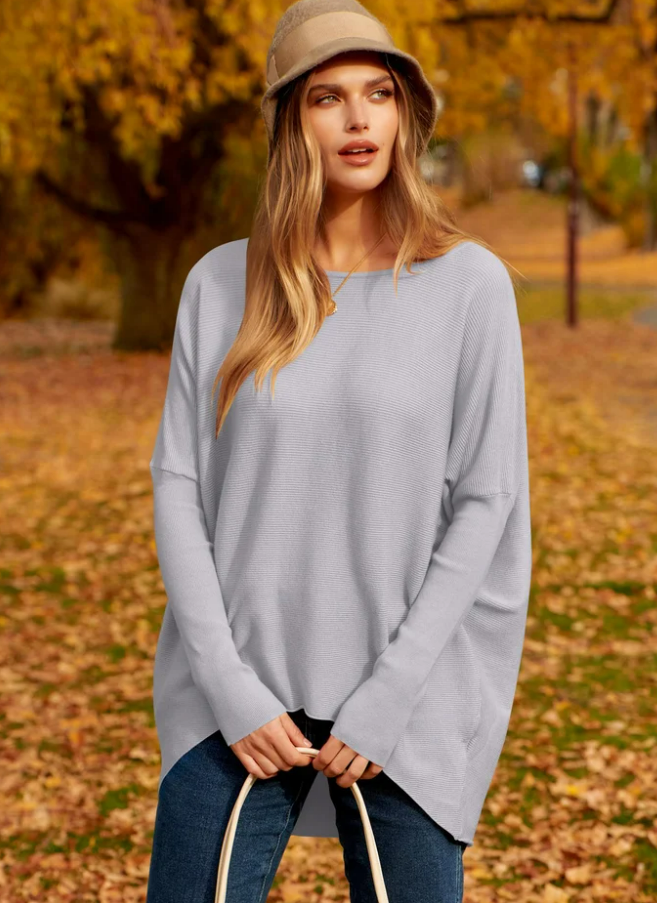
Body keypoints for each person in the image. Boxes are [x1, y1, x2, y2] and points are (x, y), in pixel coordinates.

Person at [145, 0, 532, 901]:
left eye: (378, 93)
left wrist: (392, 691)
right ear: (292, 123)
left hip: (407, 696)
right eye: (328, 97)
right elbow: (178, 485)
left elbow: (486, 499)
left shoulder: (468, 285)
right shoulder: (218, 283)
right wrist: (227, 686)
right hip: (237, 697)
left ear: (404, 114)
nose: (359, 118)